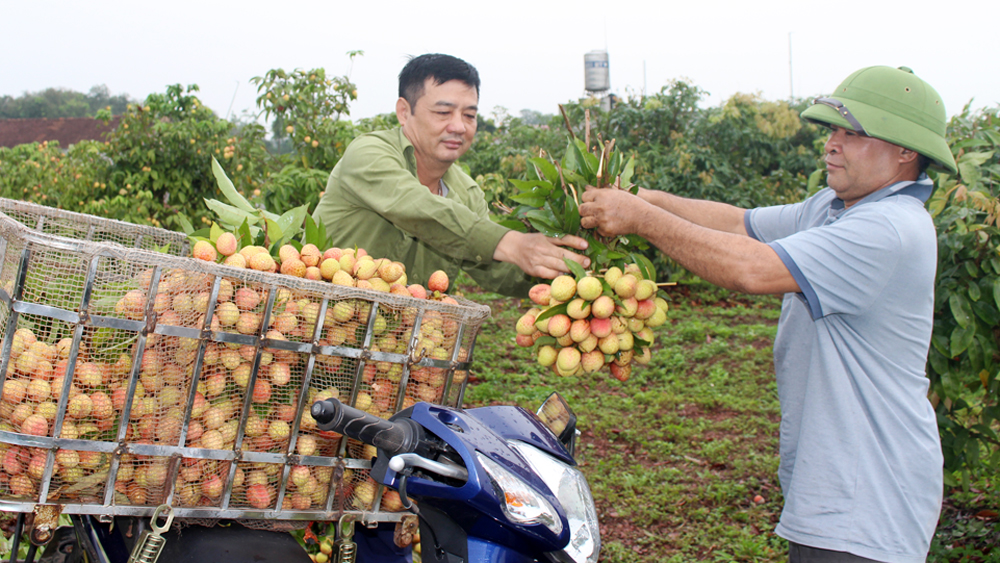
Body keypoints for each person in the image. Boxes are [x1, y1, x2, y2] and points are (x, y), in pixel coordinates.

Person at [578, 66, 956, 563]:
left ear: (906, 150)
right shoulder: (836, 207)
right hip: (840, 490)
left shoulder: (888, 228)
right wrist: (645, 199)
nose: (832, 145)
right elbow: (740, 224)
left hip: (869, 498)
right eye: (833, 131)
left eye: (853, 133)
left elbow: (751, 269)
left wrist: (642, 219)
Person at [312, 53, 590, 297]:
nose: (458, 126)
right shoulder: (369, 153)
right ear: (404, 112)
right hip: (318, 324)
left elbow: (496, 269)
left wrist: (571, 265)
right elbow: (416, 207)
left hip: (406, 342)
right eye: (443, 112)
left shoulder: (467, 194)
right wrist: (514, 243)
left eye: (469, 115)